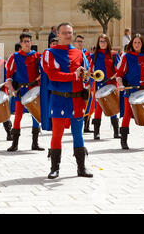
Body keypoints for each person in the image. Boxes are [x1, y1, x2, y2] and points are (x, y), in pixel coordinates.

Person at [41, 22, 93, 179]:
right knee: (57, 134)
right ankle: (54, 168)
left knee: (78, 134)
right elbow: (53, 75)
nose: (68, 35)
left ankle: (81, 167)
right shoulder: (49, 53)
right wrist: (74, 76)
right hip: (58, 99)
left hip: (77, 100)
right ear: (58, 34)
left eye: (70, 33)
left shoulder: (79, 53)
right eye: (64, 33)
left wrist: (85, 78)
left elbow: (86, 76)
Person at [117, 34, 144, 149]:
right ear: (132, 44)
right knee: (127, 114)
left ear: (142, 44)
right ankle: (123, 141)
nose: (137, 45)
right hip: (131, 91)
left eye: (139, 43)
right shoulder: (126, 57)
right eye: (135, 42)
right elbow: (119, 75)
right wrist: (121, 84)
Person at [5, 33, 44, 152]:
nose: (27, 43)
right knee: (18, 116)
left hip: (34, 89)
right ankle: (15, 143)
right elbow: (8, 76)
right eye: (25, 41)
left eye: (29, 41)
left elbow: (44, 72)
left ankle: (35, 143)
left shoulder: (38, 56)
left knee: (35, 116)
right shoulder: (14, 56)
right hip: (20, 90)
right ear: (20, 43)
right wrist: (11, 89)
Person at [89, 34, 121, 140]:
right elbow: (90, 71)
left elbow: (119, 69)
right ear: (98, 43)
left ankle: (116, 132)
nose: (102, 43)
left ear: (108, 42)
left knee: (112, 107)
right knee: (98, 109)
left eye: (104, 41)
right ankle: (96, 132)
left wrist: (117, 75)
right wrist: (91, 75)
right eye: (100, 41)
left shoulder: (113, 54)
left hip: (111, 84)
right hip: (99, 85)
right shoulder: (94, 56)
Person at [73, 35, 93, 134]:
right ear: (74, 43)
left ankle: (85, 126)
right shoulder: (73, 54)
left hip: (85, 83)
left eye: (81, 41)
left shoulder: (84, 54)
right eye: (78, 41)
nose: (80, 43)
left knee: (87, 105)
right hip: (76, 84)